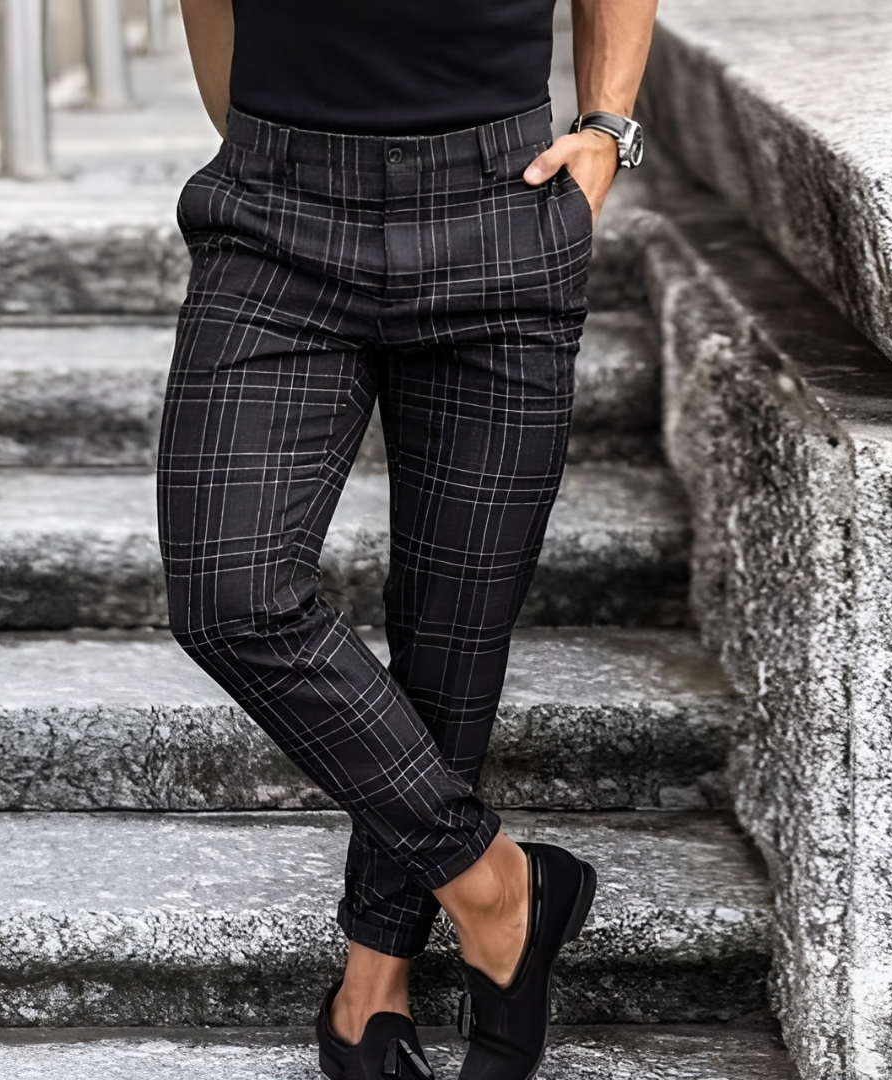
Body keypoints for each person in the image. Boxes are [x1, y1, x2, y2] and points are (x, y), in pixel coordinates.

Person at [160, 2, 657, 1077]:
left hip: (502, 203)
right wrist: (265, 146)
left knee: (452, 639)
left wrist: (607, 127)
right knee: (231, 594)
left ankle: (372, 985)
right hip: (275, 216)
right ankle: (503, 888)